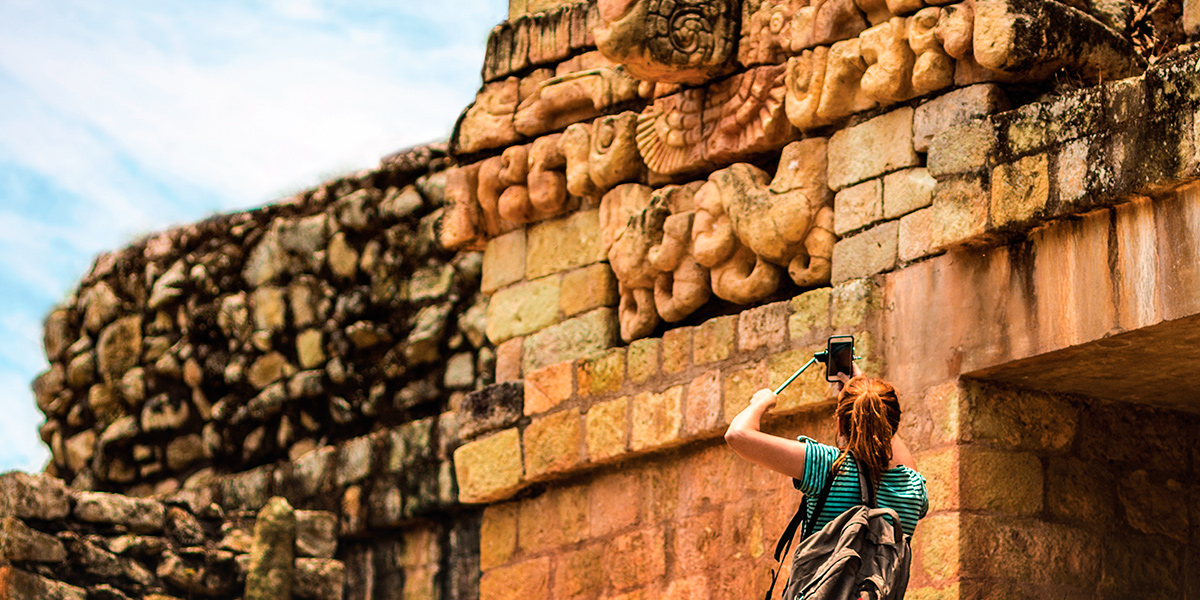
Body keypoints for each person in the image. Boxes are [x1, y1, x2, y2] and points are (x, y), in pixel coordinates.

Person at [724, 364, 928, 540]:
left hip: (825, 587)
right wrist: (869, 400)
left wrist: (760, 402)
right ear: (894, 426)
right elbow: (908, 467)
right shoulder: (913, 489)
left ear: (840, 425)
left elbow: (737, 435)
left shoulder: (827, 465)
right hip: (880, 587)